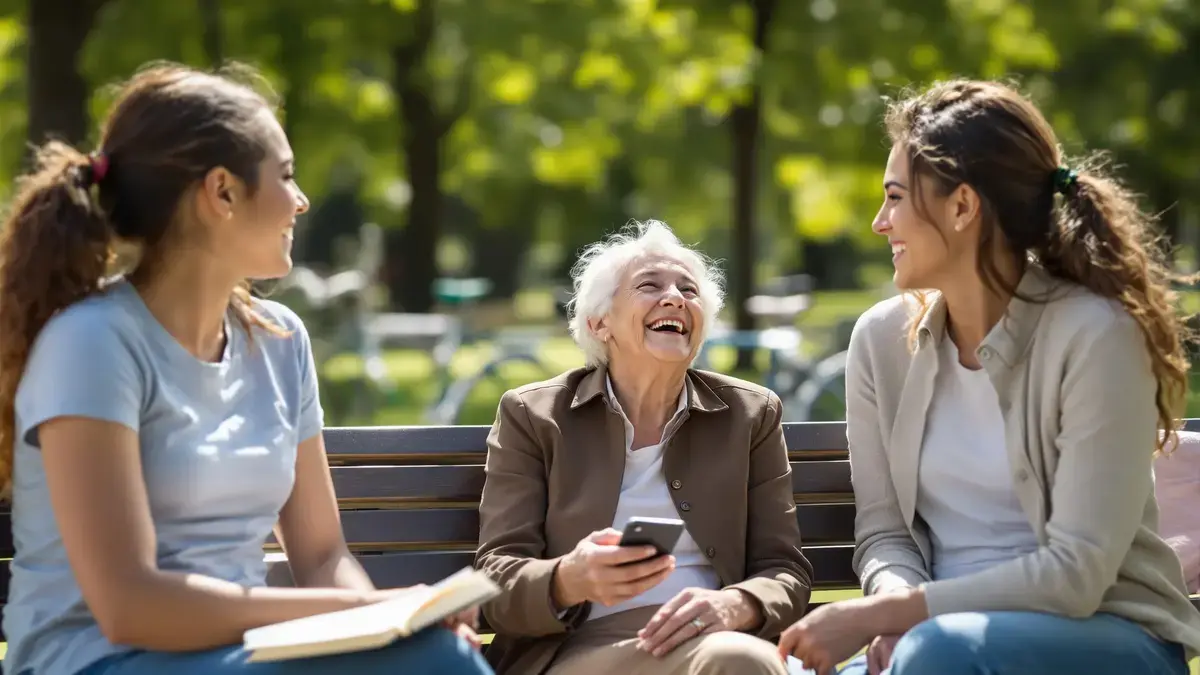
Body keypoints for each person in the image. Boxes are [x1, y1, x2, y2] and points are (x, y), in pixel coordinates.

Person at [0, 63, 493, 675]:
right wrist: (363, 611)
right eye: (285, 176)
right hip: (99, 661)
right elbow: (129, 606)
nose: (301, 200)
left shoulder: (281, 341)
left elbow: (319, 553)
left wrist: (389, 625)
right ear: (222, 192)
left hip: (239, 656)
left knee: (437, 656)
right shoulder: (92, 344)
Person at [776, 79, 1200, 675]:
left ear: (962, 206)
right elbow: (885, 533)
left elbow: (1077, 574)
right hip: (936, 643)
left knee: (935, 654)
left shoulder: (1095, 334)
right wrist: (901, 614)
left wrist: (896, 617)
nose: (879, 222)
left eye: (895, 198)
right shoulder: (879, 342)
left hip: (1109, 635)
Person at [474, 221, 814, 675]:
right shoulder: (534, 416)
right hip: (578, 650)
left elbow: (784, 570)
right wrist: (568, 579)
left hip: (714, 640)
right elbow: (496, 576)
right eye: (649, 285)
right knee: (739, 662)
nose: (675, 298)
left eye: (689, 291)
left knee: (736, 656)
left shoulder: (750, 414)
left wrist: (737, 604)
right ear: (600, 323)